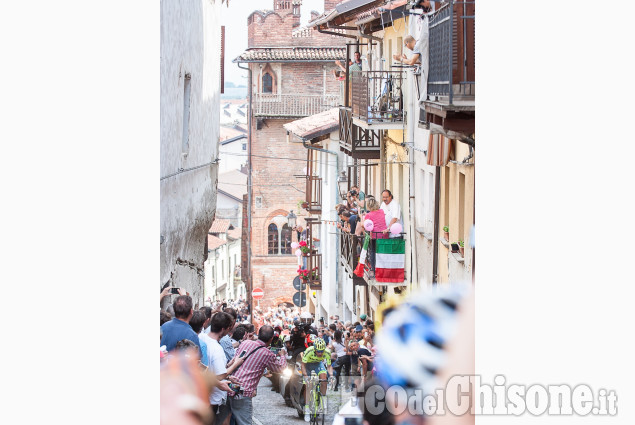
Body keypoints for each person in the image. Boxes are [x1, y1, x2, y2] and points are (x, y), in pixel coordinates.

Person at [214, 325, 288, 425]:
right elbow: (281, 368)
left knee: (222, 421)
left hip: (228, 386)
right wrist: (282, 355)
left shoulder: (245, 343)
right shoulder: (267, 354)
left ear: (259, 334)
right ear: (271, 339)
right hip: (242, 391)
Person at [199, 312, 244, 421]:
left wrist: (228, 373)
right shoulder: (217, 349)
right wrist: (235, 364)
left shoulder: (201, 337)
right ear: (224, 329)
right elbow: (220, 376)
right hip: (212, 398)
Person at [300, 338, 334, 421]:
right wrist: (306, 376)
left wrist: (332, 376)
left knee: (324, 380)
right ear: (314, 349)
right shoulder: (309, 351)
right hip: (307, 365)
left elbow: (329, 367)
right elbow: (303, 365)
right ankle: (307, 409)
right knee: (308, 386)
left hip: (318, 364)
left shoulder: (327, 352)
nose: (320, 353)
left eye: (322, 351)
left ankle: (323, 398)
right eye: (318, 351)